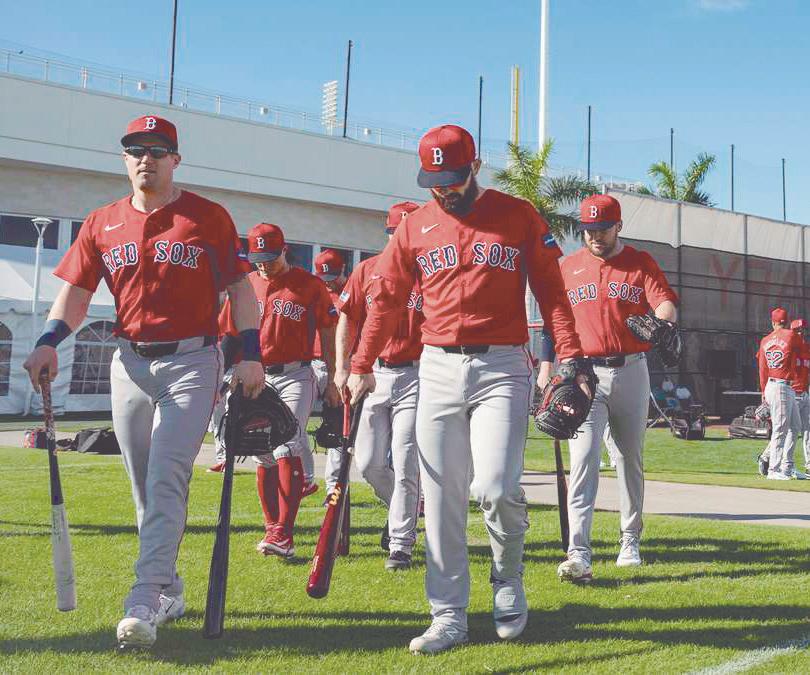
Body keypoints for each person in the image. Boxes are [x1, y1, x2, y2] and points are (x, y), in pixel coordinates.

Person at [22, 115, 264, 649]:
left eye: (157, 150)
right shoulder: (102, 221)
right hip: (128, 361)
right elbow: (77, 292)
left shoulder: (208, 216)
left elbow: (240, 290)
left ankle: (144, 595)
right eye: (136, 150)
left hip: (193, 360)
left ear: (175, 159)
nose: (145, 159)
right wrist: (48, 340)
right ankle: (169, 588)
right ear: (125, 158)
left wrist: (251, 354)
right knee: (142, 485)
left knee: (165, 478)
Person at [345, 124, 586, 654]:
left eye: (453, 177)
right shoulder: (415, 226)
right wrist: (361, 363)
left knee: (495, 487)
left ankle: (507, 576)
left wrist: (569, 354)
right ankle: (448, 614)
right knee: (440, 496)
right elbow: (386, 300)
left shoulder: (517, 214)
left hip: (502, 363)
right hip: (434, 366)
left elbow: (551, 289)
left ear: (475, 167)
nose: (443, 188)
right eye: (434, 180)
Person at [556, 194, 679, 584]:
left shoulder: (640, 262)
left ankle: (630, 539)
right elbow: (556, 318)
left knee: (628, 458)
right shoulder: (569, 266)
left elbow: (664, 302)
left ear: (619, 226)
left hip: (631, 370)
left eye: (603, 229)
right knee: (583, 459)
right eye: (589, 229)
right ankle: (578, 551)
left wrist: (663, 324)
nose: (595, 236)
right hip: (584, 374)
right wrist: (550, 369)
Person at [217, 223, 341, 558]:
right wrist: (222, 377)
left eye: (271, 257)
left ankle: (285, 532)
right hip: (253, 375)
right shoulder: (246, 284)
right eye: (259, 258)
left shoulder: (309, 285)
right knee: (262, 451)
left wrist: (332, 377)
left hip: (295, 374)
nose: (264, 264)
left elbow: (328, 331)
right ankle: (272, 527)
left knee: (287, 443)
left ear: (285, 250)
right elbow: (229, 334)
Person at [335, 201, 423, 571]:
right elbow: (347, 317)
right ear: (388, 234)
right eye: (395, 233)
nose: (400, 239)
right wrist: (342, 366)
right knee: (369, 463)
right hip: (373, 372)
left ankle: (400, 544)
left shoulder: (431, 274)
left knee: (405, 460)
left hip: (417, 373)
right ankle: (402, 511)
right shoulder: (367, 270)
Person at [311, 248, 349, 497]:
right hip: (313, 364)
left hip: (342, 366)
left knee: (336, 426)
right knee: (290, 422)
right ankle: (304, 479)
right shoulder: (316, 291)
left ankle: (333, 488)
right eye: (324, 277)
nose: (329, 282)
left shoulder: (353, 291)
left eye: (332, 276)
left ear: (343, 269)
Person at [757, 308, 802, 480]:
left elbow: (762, 369)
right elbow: (802, 348)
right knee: (781, 428)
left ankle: (787, 468)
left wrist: (763, 391)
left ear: (773, 322)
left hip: (774, 384)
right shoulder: (791, 335)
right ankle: (773, 469)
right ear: (786, 321)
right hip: (781, 386)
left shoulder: (765, 340)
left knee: (795, 426)